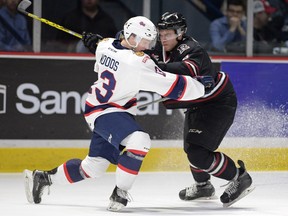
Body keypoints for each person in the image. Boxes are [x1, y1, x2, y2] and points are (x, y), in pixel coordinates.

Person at [23, 16, 214, 212]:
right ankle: (120, 193)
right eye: (146, 41)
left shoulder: (105, 45)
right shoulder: (137, 62)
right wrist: (199, 87)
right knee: (140, 141)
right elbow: (171, 86)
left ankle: (42, 178)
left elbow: (111, 43)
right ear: (131, 37)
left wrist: (95, 42)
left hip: (100, 108)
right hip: (107, 111)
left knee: (93, 167)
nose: (148, 46)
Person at [154, 11, 254, 207]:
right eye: (161, 33)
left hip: (217, 103)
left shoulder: (192, 49)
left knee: (198, 153)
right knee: (191, 148)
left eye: (168, 33)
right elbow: (139, 57)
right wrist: (106, 46)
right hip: (197, 103)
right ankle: (203, 186)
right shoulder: (162, 47)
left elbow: (186, 69)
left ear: (180, 32)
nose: (162, 37)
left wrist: (154, 67)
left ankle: (240, 177)